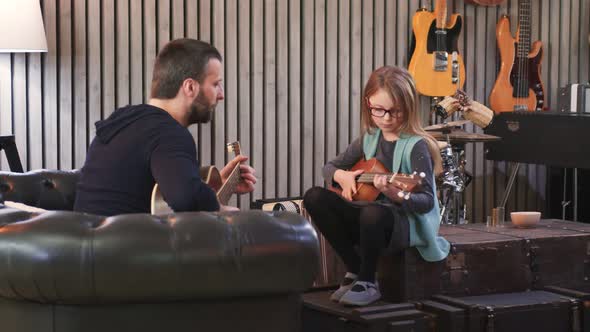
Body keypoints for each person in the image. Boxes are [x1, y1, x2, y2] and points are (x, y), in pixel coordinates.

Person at [303, 66, 450, 306]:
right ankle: (355, 269)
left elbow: (426, 202)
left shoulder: (416, 146)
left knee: (373, 212)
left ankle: (368, 281)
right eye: (378, 110)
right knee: (314, 197)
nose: (387, 119)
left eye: (395, 111)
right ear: (367, 104)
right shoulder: (369, 138)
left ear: (409, 107)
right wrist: (342, 176)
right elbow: (328, 167)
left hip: (399, 226)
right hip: (365, 221)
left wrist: (397, 195)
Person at [74, 39, 256, 216]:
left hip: (83, 242)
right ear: (190, 87)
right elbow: (185, 198)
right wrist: (218, 208)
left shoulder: (122, 121)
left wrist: (217, 187)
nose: (221, 95)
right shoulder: (169, 133)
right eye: (216, 84)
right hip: (125, 246)